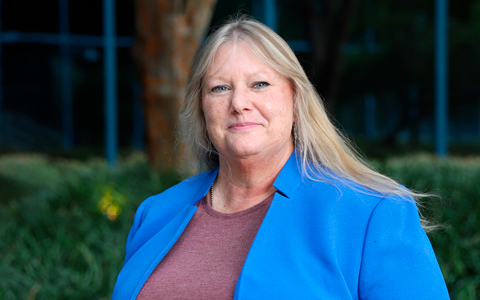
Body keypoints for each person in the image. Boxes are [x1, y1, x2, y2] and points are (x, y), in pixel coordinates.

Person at [112, 16, 450, 299]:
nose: (239, 102)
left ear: (295, 100)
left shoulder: (373, 212)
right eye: (220, 88)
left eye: (259, 84)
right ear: (201, 107)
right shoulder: (155, 213)